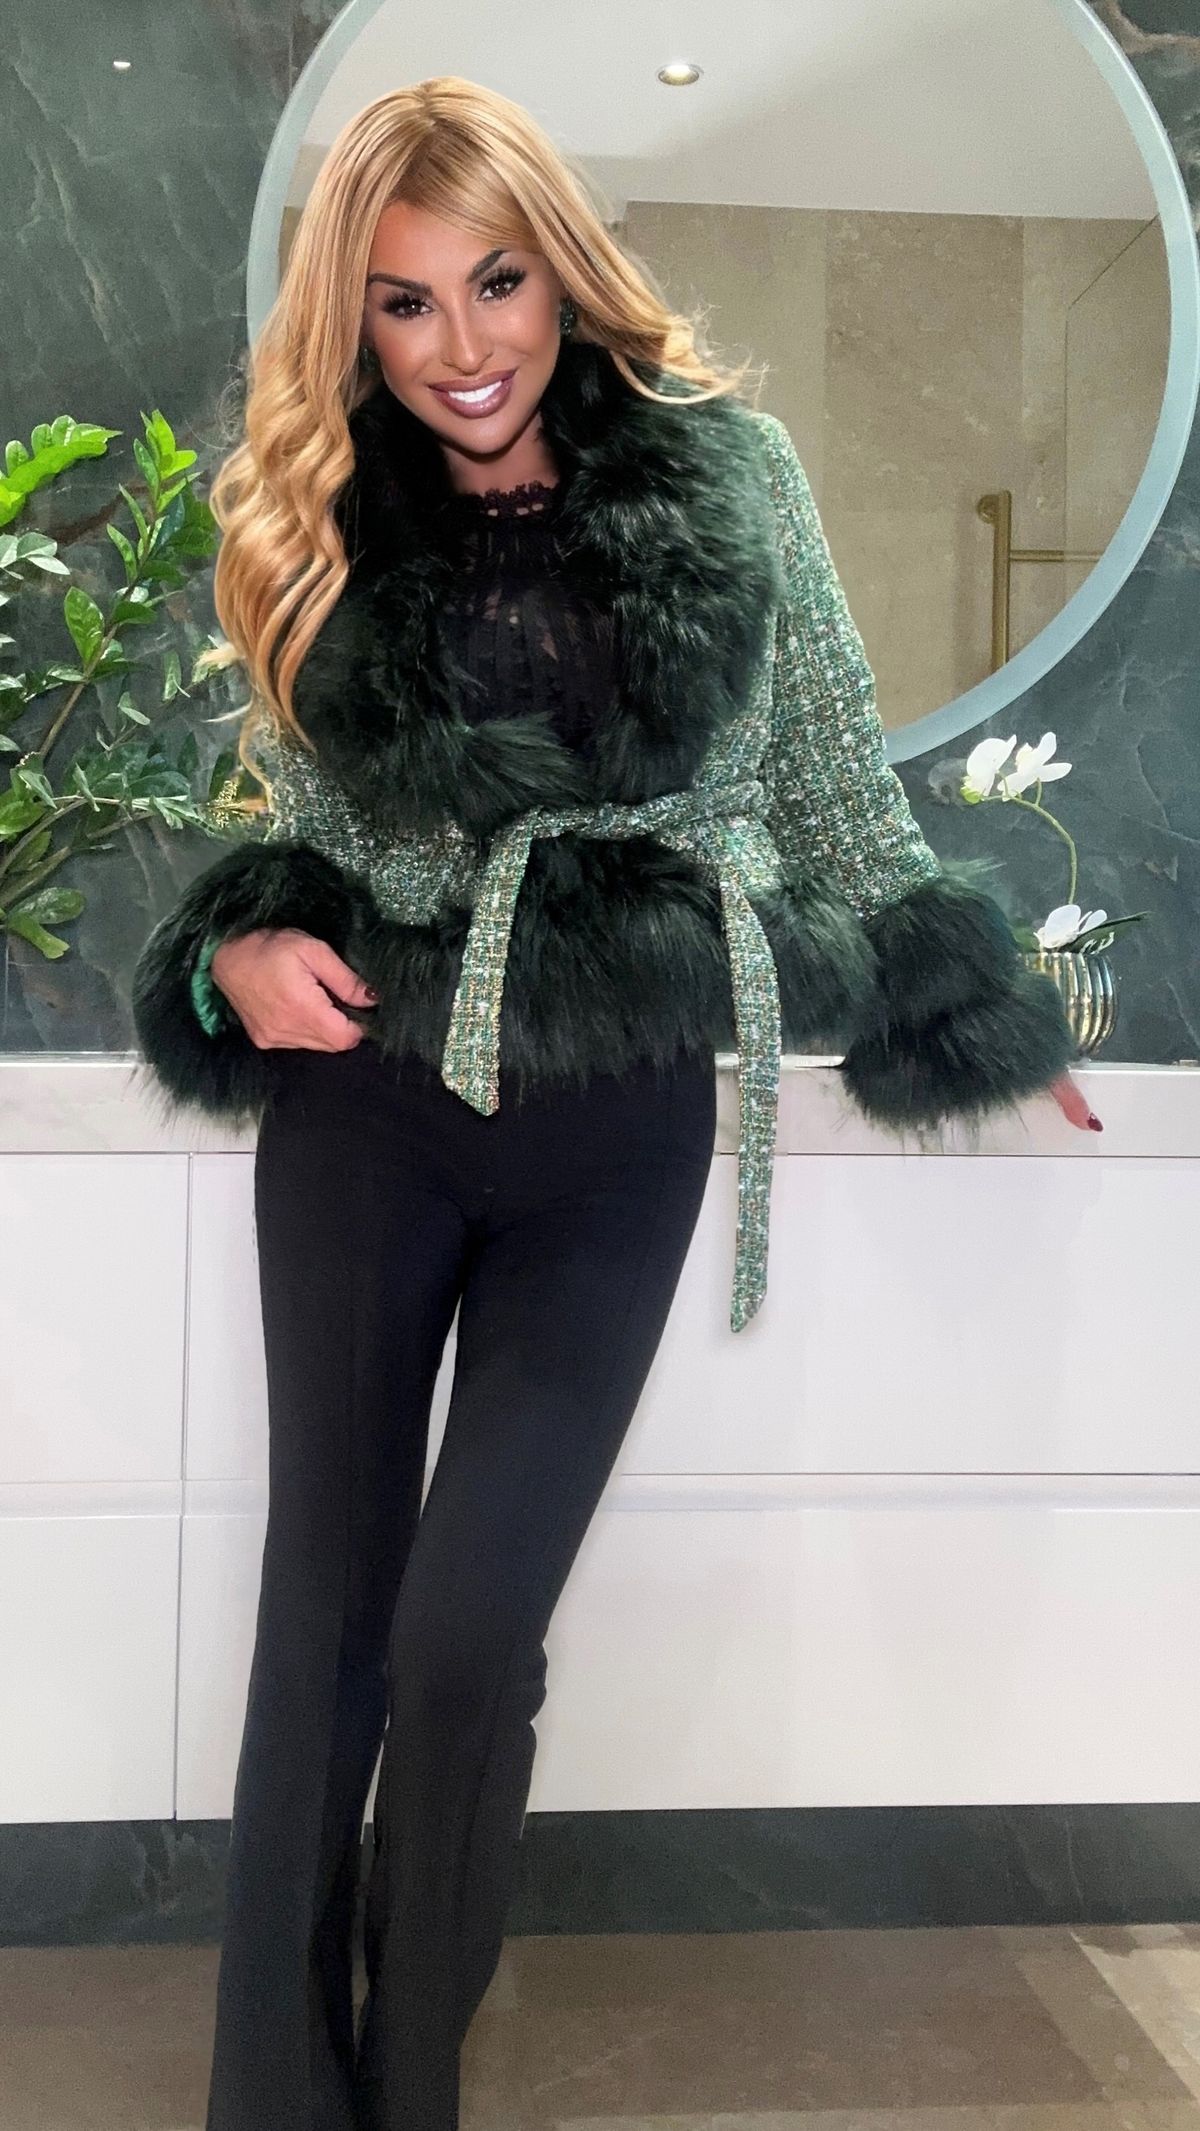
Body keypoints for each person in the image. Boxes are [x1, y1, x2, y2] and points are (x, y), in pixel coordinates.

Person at [130, 75, 1098, 2131]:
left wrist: (985, 1004)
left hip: (622, 1109)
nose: (462, 345)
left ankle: (410, 2080)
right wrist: (236, 957)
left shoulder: (732, 472)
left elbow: (835, 787)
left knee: (468, 1632)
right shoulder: (323, 502)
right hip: (370, 1095)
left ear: (565, 270)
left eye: (498, 282)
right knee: (327, 1617)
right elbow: (298, 836)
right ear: (354, 318)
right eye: (404, 302)